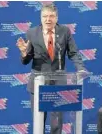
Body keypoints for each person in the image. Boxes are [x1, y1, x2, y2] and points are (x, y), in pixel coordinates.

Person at [16, 3, 86, 134]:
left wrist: (80, 68)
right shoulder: (32, 33)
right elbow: (26, 61)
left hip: (58, 82)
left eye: (51, 16)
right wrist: (24, 53)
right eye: (45, 16)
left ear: (57, 18)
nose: (48, 19)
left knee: (56, 121)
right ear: (40, 18)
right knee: (39, 120)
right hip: (38, 82)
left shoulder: (65, 31)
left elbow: (73, 53)